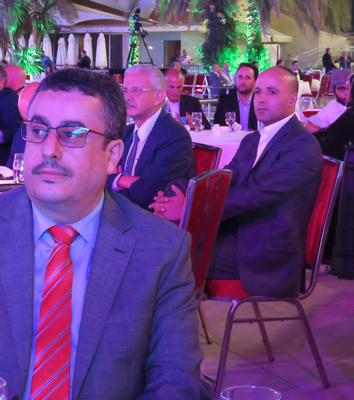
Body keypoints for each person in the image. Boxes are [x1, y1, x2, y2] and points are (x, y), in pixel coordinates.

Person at [0, 67, 211, 400]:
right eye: (38, 130)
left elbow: (177, 381)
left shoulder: (160, 249)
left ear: (112, 155)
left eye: (72, 134)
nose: (49, 149)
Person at [150, 67, 323, 298]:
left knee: (165, 254)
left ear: (293, 99)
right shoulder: (253, 139)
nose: (261, 99)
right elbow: (224, 179)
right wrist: (184, 194)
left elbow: (254, 194)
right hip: (238, 232)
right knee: (166, 218)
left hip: (266, 252)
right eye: (258, 92)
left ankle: (167, 316)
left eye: (272, 92)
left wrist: (191, 207)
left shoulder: (302, 145)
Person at [105, 64, 195, 210]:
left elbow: (149, 192)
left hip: (147, 218)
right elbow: (98, 176)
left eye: (136, 90)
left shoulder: (175, 136)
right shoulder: (125, 132)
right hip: (117, 211)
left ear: (158, 97)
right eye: (125, 90)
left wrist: (117, 179)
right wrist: (124, 181)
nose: (127, 97)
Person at [213, 62, 259, 131]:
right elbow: (218, 126)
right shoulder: (224, 102)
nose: (243, 81)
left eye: (247, 78)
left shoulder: (261, 102)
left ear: (255, 81)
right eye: (240, 77)